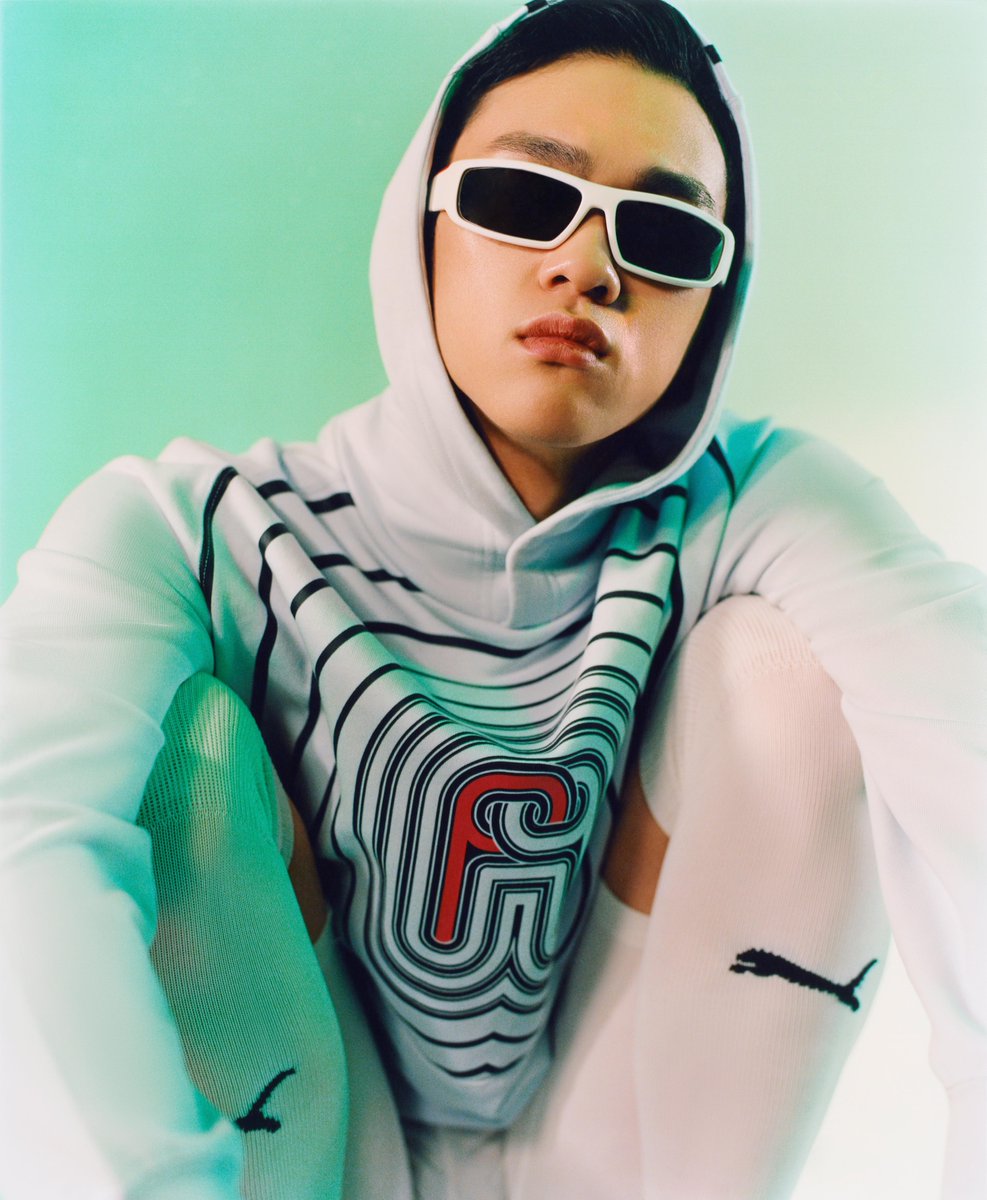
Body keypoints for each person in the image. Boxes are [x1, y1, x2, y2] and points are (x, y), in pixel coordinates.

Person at [0, 1, 984, 1197]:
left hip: (628, 1147)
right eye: (522, 198)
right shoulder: (189, 525)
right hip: (312, 1151)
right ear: (420, 218)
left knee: (789, 675)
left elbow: (965, 738)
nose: (588, 267)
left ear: (716, 301)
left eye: (665, 234)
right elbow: (25, 833)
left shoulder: (762, 503)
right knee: (181, 754)